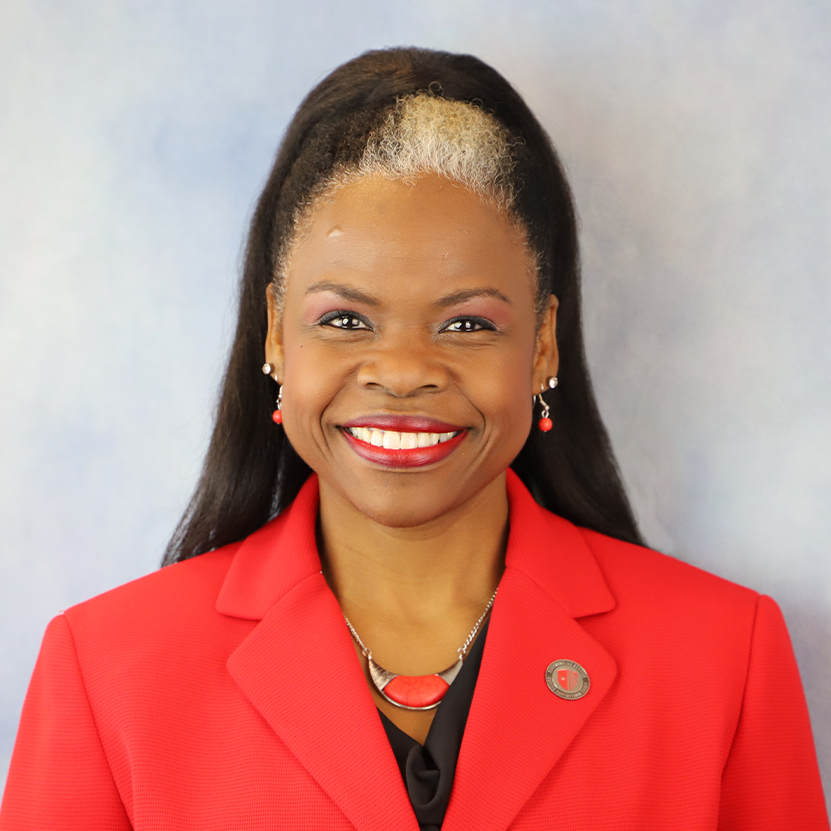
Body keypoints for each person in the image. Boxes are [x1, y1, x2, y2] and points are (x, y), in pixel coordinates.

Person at [0, 46, 827, 830]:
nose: (401, 372)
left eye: (466, 323)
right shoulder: (106, 668)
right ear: (276, 334)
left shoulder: (724, 655)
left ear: (542, 344)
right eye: (344, 319)